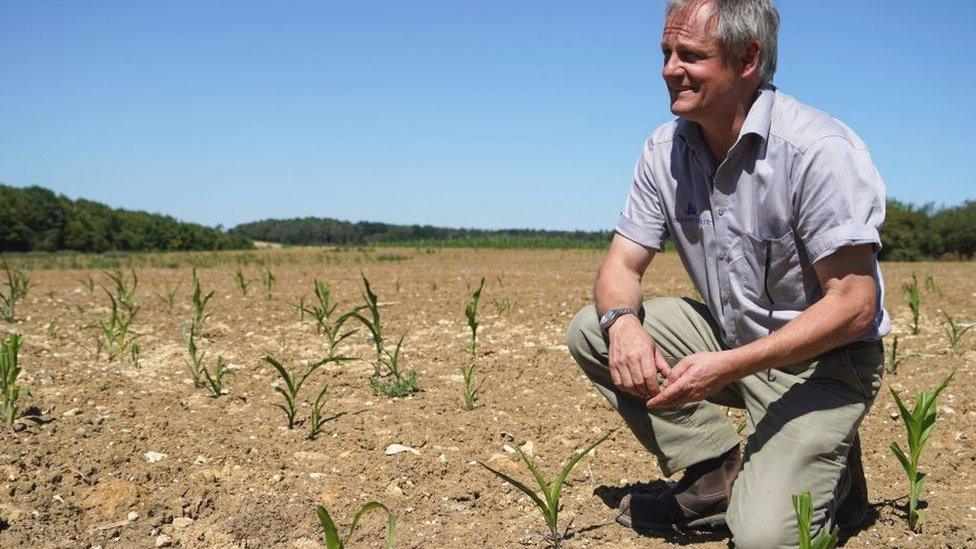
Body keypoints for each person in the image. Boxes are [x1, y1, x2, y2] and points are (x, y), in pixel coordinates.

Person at [564, 0, 889, 546]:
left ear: (747, 59)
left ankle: (833, 479)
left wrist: (729, 366)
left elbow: (854, 303)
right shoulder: (664, 149)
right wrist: (622, 324)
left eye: (690, 54)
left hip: (822, 365)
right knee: (592, 329)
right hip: (732, 342)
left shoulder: (817, 149)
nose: (670, 68)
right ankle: (714, 472)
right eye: (666, 53)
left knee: (764, 539)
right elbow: (621, 263)